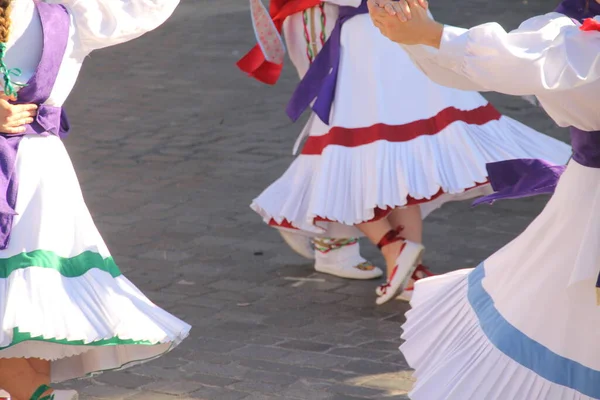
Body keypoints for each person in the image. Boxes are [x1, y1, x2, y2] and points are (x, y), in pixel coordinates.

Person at [239, 0, 571, 304]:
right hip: (359, 22)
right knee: (372, 140)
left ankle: (390, 256)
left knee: (371, 142)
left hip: (379, 23)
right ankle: (383, 259)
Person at [368, 0, 600, 398]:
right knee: (555, 312)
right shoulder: (572, 26)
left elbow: (539, 61)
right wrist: (426, 37)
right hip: (585, 201)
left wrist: (430, 35)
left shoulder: (576, 37)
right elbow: (529, 60)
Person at [0, 0, 190, 399]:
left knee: (27, 302)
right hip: (40, 175)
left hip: (36, 178)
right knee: (33, 300)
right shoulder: (71, 15)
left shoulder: (67, 15)